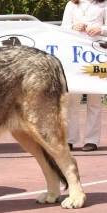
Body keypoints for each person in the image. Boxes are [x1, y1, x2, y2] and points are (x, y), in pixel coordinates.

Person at [61, 0, 106, 151]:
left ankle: (91, 140)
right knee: (72, 101)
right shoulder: (72, 4)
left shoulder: (104, 4)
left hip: (96, 57)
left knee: (94, 101)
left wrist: (101, 29)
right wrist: (73, 27)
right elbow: (63, 28)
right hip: (74, 58)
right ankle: (69, 139)